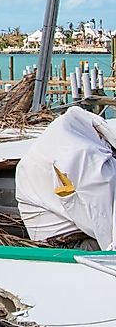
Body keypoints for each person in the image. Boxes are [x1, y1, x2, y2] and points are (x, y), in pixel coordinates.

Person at [16, 106, 116, 249]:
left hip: (63, 230)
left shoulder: (71, 130)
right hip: (67, 245)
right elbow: (105, 224)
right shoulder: (86, 161)